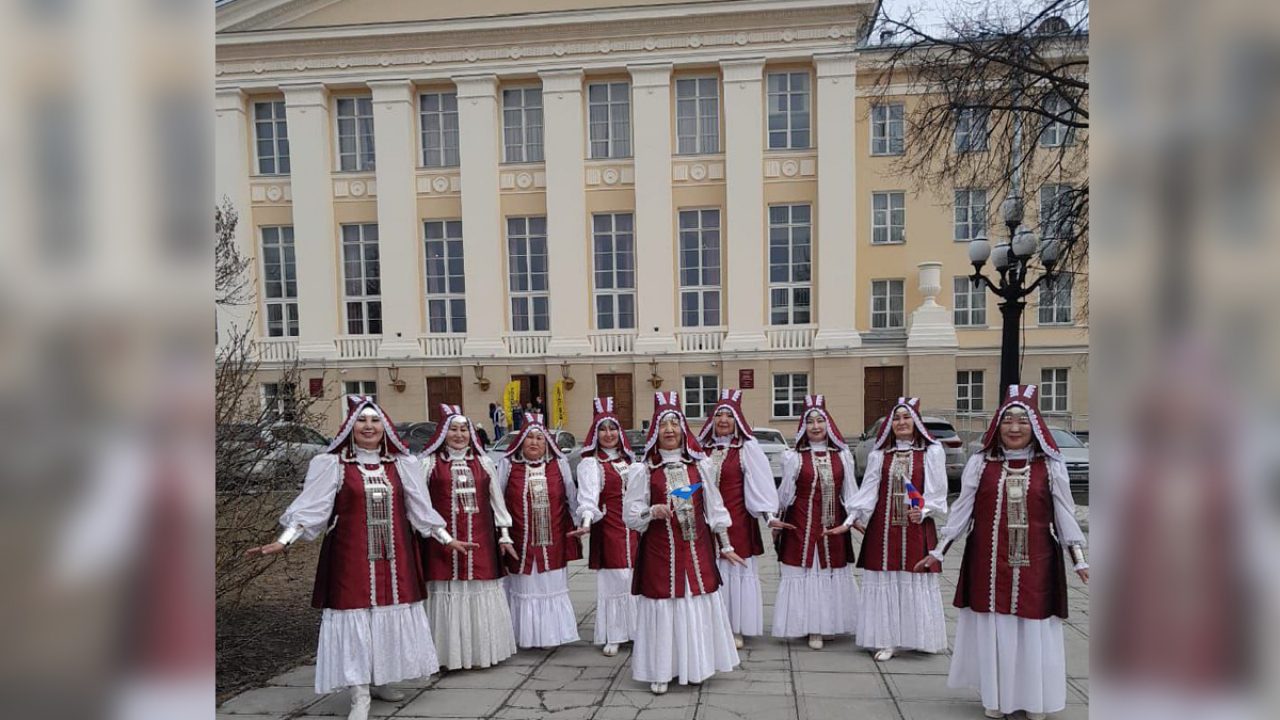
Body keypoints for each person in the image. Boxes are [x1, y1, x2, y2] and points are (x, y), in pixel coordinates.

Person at [245, 396, 476, 720]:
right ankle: (359, 694)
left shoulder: (402, 466)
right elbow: (312, 510)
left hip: (395, 557)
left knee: (388, 618)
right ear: (350, 428)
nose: (368, 427)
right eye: (362, 421)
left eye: (375, 421)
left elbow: (421, 511)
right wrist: (283, 541)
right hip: (350, 557)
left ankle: (381, 681)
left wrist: (447, 539)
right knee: (355, 619)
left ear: (385, 428)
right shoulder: (333, 465)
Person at [916, 385, 1089, 720]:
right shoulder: (981, 463)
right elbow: (962, 510)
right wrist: (938, 552)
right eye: (1008, 420)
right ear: (997, 424)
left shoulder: (1050, 466)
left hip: (1037, 559)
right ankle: (997, 697)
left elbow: (1065, 513)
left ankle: (1033, 699)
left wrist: (1079, 558)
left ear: (1035, 426)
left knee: (1033, 626)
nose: (1014, 427)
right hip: (988, 560)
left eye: (1022, 421)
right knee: (996, 626)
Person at [624, 391, 743, 695]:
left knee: (695, 602)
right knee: (663, 605)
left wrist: (726, 545)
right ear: (655, 432)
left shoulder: (699, 467)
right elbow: (630, 516)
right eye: (663, 425)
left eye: (674, 424)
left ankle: (698, 665)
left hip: (696, 549)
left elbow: (715, 509)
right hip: (660, 550)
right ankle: (661, 670)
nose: (669, 430)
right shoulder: (644, 471)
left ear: (683, 430)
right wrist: (651, 511)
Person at [847, 397, 949, 661]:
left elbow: (938, 491)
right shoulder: (879, 455)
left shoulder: (932, 452)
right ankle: (887, 639)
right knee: (886, 579)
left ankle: (919, 637)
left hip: (916, 525)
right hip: (884, 526)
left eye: (906, 417)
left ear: (916, 423)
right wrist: (850, 519)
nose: (901, 422)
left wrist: (924, 509)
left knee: (914, 579)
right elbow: (869, 490)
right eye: (897, 418)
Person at [418, 404, 519, 670]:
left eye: (464, 429)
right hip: (441, 543)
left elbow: (497, 502)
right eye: (453, 429)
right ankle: (444, 656)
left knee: (478, 592)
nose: (459, 435)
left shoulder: (484, 462)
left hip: (481, 540)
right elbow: (419, 505)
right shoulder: (428, 463)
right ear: (443, 433)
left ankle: (479, 653)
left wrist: (504, 535)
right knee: (445, 594)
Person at [694, 388, 789, 649]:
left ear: (738, 421)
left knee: (735, 571)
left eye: (729, 415)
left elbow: (761, 484)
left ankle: (736, 627)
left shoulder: (747, 448)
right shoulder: (701, 449)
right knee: (707, 568)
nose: (723, 420)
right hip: (705, 521)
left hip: (738, 518)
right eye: (718, 415)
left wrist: (769, 515)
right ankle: (711, 625)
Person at [772, 394, 860, 650]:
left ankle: (829, 623)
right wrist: (775, 519)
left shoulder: (842, 456)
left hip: (834, 523)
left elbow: (850, 493)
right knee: (807, 570)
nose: (815, 426)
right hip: (802, 522)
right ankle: (812, 627)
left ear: (828, 424)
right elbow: (786, 494)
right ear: (803, 427)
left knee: (830, 570)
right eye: (810, 422)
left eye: (820, 420)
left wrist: (854, 519)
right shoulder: (794, 457)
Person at [495, 412, 582, 649]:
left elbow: (571, 497)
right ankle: (522, 635)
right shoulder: (507, 465)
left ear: (547, 443)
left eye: (539, 438)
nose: (534, 442)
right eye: (529, 437)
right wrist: (502, 533)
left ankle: (551, 635)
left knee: (550, 583)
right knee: (523, 585)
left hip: (553, 537)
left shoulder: (559, 465)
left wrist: (579, 522)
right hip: (520, 537)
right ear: (521, 441)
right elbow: (497, 501)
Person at [571, 397, 640, 656]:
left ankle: (636, 630)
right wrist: (586, 522)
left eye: (613, 429)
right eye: (603, 429)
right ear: (596, 434)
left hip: (634, 528)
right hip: (609, 526)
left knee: (634, 578)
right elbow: (587, 498)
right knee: (615, 579)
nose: (609, 434)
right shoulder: (591, 463)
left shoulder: (630, 461)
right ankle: (614, 633)